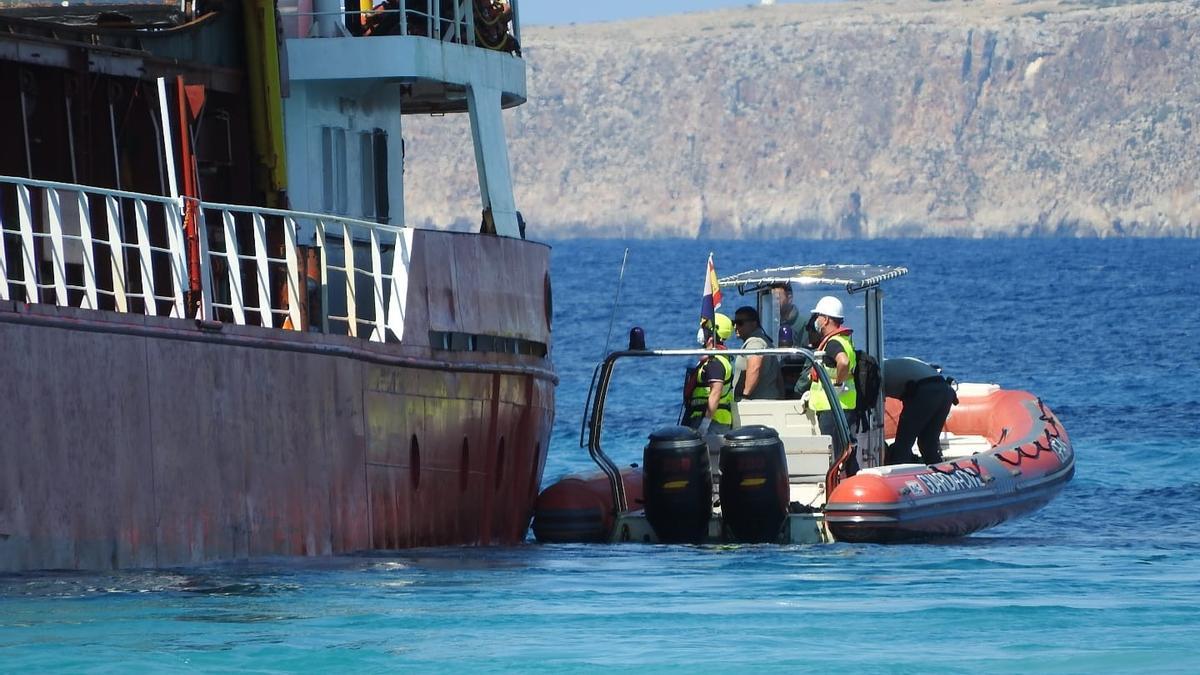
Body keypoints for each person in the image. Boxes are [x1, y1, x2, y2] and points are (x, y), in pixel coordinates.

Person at [803, 295, 859, 473]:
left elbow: (843, 362)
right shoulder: (844, 340)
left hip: (832, 408)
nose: (816, 321)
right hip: (843, 406)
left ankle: (839, 490)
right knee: (845, 452)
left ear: (826, 319)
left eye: (818, 316)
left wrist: (837, 385)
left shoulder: (833, 343)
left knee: (836, 455)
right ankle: (851, 482)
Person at [883, 357, 958, 465]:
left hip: (925, 391)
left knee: (903, 444)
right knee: (928, 443)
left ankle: (899, 468)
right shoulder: (887, 366)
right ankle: (937, 472)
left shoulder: (874, 374)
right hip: (945, 389)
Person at [684, 313, 735, 438]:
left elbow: (715, 393)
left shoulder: (715, 362)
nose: (702, 333)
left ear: (713, 334)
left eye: (705, 329)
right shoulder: (713, 359)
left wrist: (704, 425)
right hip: (702, 419)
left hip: (713, 424)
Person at [732, 306, 782, 400]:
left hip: (756, 404)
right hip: (766, 400)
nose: (735, 327)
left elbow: (755, 367)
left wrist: (745, 397)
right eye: (734, 323)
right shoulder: (765, 341)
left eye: (740, 323)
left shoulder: (755, 342)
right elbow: (778, 377)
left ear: (753, 324)